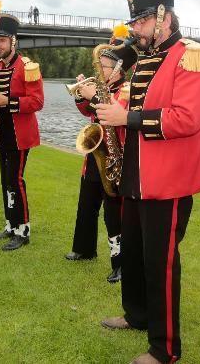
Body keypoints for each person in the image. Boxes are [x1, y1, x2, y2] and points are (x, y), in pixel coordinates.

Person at [95, 0, 200, 364]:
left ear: (164, 17)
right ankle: (137, 315)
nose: (137, 29)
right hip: (137, 173)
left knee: (161, 264)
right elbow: (135, 105)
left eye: (142, 20)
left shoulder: (191, 57)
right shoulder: (146, 59)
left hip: (168, 181)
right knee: (133, 250)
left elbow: (186, 118)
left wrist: (125, 119)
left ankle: (166, 349)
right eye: (135, 21)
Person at [65, 35, 137, 284]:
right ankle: (84, 248)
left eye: (103, 67)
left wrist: (93, 95)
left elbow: (112, 113)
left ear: (118, 70)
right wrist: (81, 94)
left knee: (113, 215)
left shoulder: (127, 90)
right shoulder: (105, 88)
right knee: (86, 206)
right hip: (95, 156)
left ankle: (121, 264)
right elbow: (88, 110)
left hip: (115, 160)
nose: (100, 70)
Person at [0, 9, 44, 251]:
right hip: (2, 132)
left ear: (13, 41)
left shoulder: (28, 67)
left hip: (21, 135)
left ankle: (23, 230)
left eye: (2, 40)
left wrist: (6, 101)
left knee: (16, 180)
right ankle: (11, 225)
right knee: (4, 181)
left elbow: (37, 102)